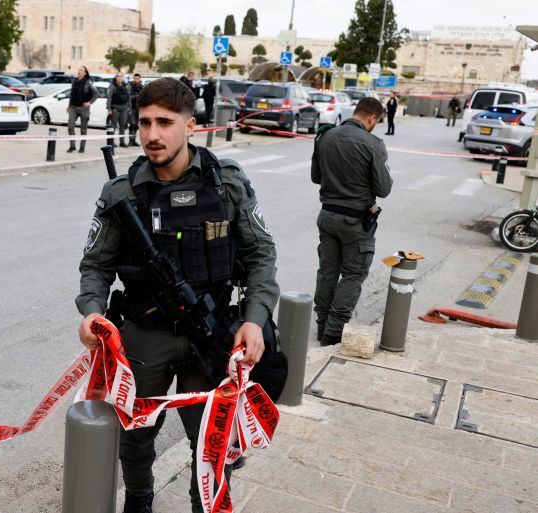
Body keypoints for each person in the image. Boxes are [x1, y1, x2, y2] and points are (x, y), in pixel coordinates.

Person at [76, 78, 279, 513]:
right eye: (145, 122)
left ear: (190, 124)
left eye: (164, 122)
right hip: (145, 335)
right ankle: (139, 500)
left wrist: (255, 319)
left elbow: (261, 256)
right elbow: (95, 266)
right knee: (134, 435)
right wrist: (92, 313)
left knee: (213, 443)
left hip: (211, 331)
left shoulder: (226, 183)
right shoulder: (122, 194)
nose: (152, 134)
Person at [311, 97, 393, 346]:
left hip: (327, 216)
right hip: (355, 221)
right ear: (372, 118)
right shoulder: (372, 144)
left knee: (327, 271)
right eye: (376, 122)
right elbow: (384, 188)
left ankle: (322, 324)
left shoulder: (325, 137)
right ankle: (334, 332)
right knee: (353, 275)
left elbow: (316, 177)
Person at [67, 65, 99, 153]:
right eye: (79, 70)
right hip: (73, 107)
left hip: (83, 108)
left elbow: (96, 94)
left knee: (83, 130)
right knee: (70, 126)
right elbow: (72, 94)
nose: (79, 71)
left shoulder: (88, 82)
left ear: (85, 73)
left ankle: (82, 147)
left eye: (81, 70)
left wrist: (89, 102)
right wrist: (69, 106)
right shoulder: (74, 81)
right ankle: (72, 146)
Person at [107, 71, 132, 147]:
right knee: (113, 126)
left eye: (121, 76)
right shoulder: (112, 86)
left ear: (123, 77)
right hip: (115, 108)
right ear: (116, 77)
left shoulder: (126, 86)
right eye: (118, 76)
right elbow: (109, 98)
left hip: (124, 108)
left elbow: (129, 98)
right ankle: (111, 142)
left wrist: (129, 108)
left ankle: (122, 142)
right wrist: (109, 109)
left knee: (123, 125)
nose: (119, 78)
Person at [128, 73, 143, 147]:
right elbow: (128, 97)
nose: (136, 80)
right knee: (132, 124)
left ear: (140, 79)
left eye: (137, 78)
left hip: (138, 108)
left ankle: (134, 140)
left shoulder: (141, 87)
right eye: (135, 78)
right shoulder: (130, 86)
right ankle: (130, 140)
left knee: (136, 125)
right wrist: (135, 96)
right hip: (132, 108)